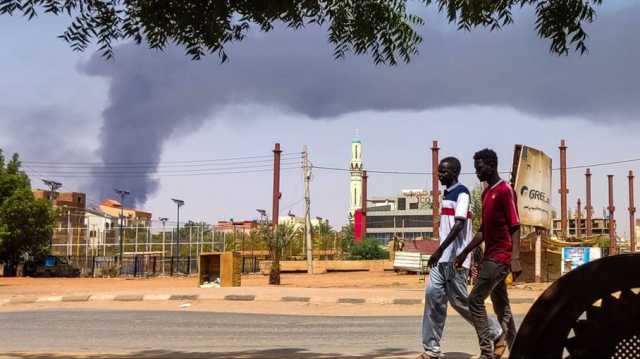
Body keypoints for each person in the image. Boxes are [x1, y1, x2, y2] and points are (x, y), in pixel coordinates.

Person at [417, 157, 502, 359]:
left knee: (461, 302)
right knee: (433, 298)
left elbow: (459, 225)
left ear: (454, 173)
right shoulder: (446, 194)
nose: (439, 175)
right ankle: (431, 350)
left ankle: (497, 332)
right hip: (442, 261)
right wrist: (440, 254)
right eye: (439, 171)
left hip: (456, 260)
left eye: (443, 172)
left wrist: (439, 251)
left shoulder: (462, 193)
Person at [455, 149, 521, 359]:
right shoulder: (485, 193)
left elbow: (515, 225)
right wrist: (465, 251)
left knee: (474, 299)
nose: (476, 172)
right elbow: (484, 229)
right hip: (489, 257)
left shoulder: (504, 190)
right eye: (475, 168)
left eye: (479, 167)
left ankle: (488, 351)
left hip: (501, 256)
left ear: (492, 165)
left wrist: (515, 258)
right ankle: (518, 350)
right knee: (502, 308)